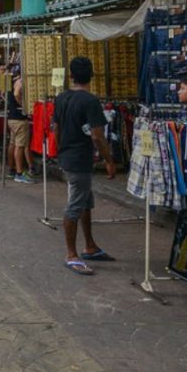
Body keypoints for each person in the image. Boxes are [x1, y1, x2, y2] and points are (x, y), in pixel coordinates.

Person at [52, 56, 117, 276]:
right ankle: (71, 255)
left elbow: (56, 128)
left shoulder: (61, 98)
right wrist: (109, 161)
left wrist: (61, 150)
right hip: (79, 160)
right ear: (92, 75)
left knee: (85, 202)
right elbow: (98, 136)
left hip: (70, 157)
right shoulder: (90, 101)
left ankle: (90, 245)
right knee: (75, 205)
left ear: (71, 76)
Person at [6, 66, 35, 184]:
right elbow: (17, 93)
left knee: (13, 144)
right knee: (20, 146)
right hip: (19, 119)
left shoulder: (10, 81)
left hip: (12, 118)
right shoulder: (20, 81)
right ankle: (19, 173)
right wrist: (22, 104)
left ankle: (12, 169)